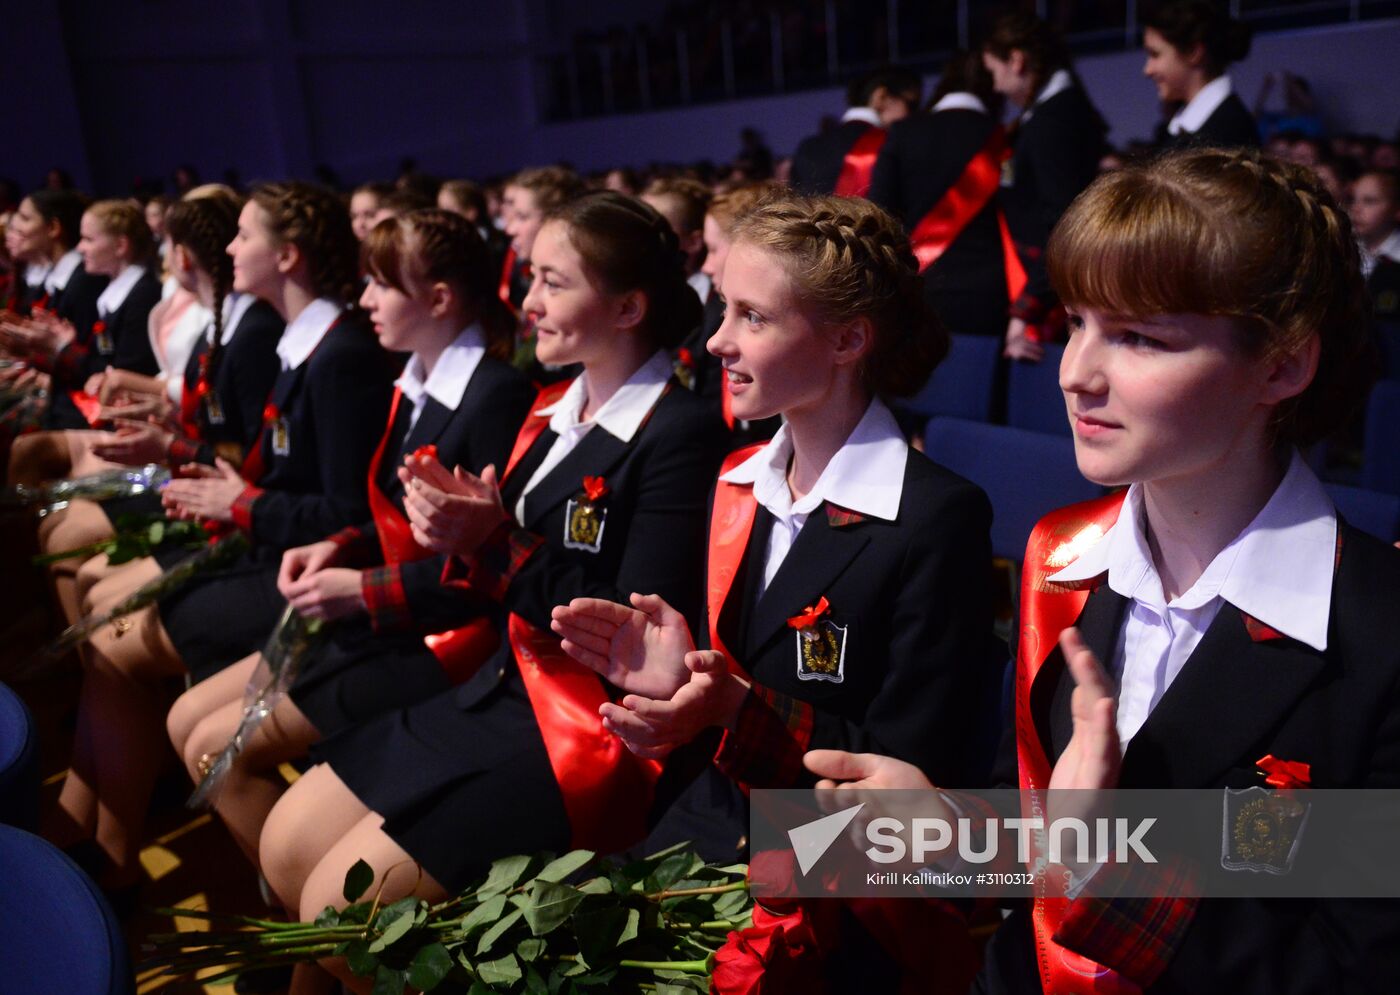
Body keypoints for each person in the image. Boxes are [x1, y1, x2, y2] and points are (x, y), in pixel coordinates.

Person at [805, 148, 1399, 993]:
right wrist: (941, 832)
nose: (1077, 373)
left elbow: (1354, 967)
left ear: (1281, 365)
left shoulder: (1377, 637)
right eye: (1077, 322)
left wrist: (1104, 867)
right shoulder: (1063, 555)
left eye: (1139, 338)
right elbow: (1046, 854)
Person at [254, 191, 728, 994]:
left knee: (339, 910)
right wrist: (455, 531)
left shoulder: (678, 428)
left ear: (626, 307)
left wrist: (493, 543)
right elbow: (493, 568)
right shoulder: (551, 406)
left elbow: (630, 629)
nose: (526, 301)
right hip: (504, 685)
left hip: (582, 724)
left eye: (551, 282)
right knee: (285, 842)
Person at [552, 193, 1000, 991]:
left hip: (833, 871)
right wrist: (681, 690)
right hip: (715, 820)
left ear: (847, 340)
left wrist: (731, 707)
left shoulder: (934, 516)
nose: (716, 339)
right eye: (724, 308)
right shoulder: (742, 477)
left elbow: (898, 773)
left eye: (752, 317)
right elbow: (730, 705)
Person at [42, 181, 394, 894]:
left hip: (306, 576)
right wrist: (183, 454)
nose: (229, 247)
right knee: (104, 626)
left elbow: (347, 514)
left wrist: (235, 497)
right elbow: (266, 472)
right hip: (271, 547)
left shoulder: (335, 352)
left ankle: (112, 851)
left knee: (113, 640)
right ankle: (90, 828)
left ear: (287, 255)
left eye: (244, 236)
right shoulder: (299, 341)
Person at [165, 208, 534, 866]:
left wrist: (362, 587)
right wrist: (343, 545)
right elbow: (417, 528)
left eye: (555, 283)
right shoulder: (421, 384)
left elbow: (505, 571)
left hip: (467, 653)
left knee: (274, 820)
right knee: (203, 740)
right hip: (410, 618)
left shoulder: (509, 397)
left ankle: (312, 952)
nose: (532, 299)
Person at [982, 12, 1105, 361]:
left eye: (995, 72)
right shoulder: (1055, 112)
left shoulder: (1054, 120)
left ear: (1017, 61)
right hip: (1047, 287)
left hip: (1048, 302)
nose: (996, 87)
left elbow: (1063, 222)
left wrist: (1026, 311)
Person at [869, 50, 1015, 339]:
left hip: (920, 288)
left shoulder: (902, 133)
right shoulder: (1003, 138)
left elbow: (879, 213)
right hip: (988, 295)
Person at [789, 67, 923, 198]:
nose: (915, 116)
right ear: (881, 96)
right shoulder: (894, 145)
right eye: (912, 105)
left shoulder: (808, 147)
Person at [1143, 0, 1258, 150]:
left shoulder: (1226, 133)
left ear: (1193, 52)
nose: (1147, 70)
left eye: (1155, 54)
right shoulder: (1193, 127)